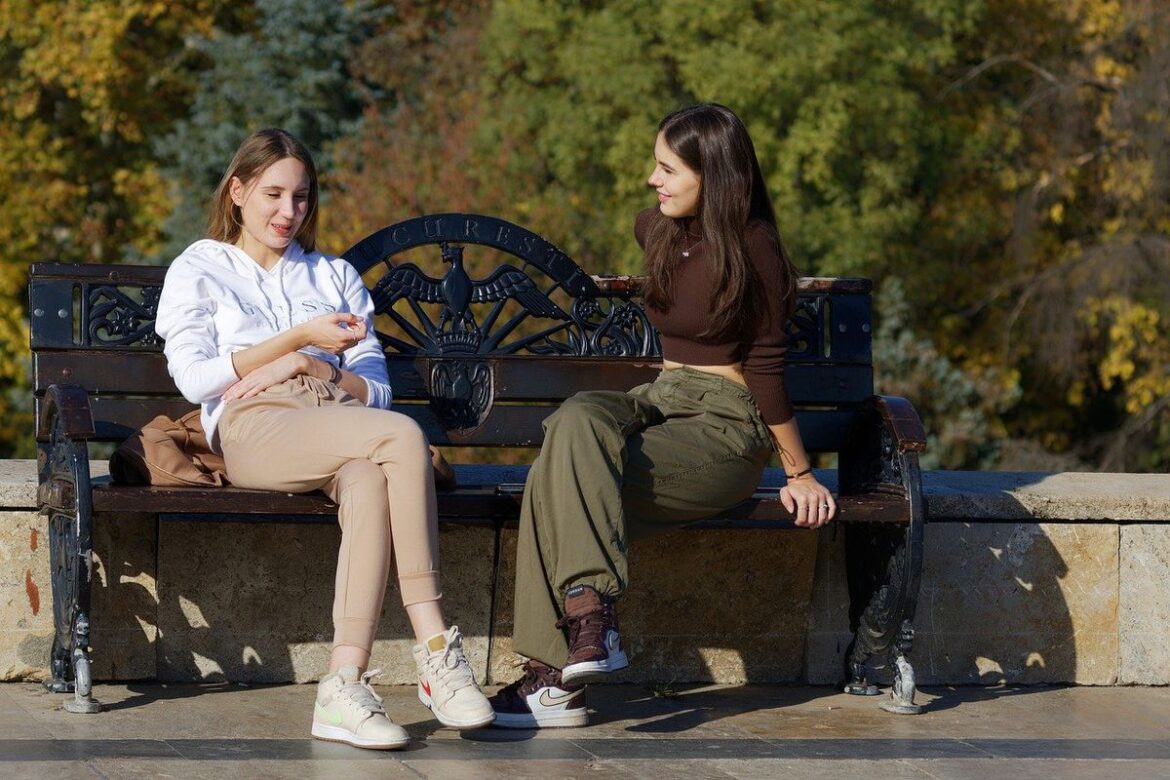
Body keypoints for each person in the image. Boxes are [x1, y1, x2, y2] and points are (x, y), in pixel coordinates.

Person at [488, 104, 838, 728]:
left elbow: (765, 367)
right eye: (657, 164)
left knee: (549, 481)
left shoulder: (754, 247)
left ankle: (554, 677)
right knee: (577, 418)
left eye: (669, 169)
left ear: (715, 176)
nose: (653, 180)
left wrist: (799, 472)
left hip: (724, 423)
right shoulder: (665, 230)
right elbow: (643, 219)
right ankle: (591, 622)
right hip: (659, 398)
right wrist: (676, 209)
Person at [155, 128, 493, 749]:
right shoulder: (200, 268)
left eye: (301, 197)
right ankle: (436, 647)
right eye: (273, 194)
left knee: (368, 478)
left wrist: (312, 364)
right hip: (254, 424)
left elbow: (376, 391)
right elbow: (196, 378)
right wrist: (292, 343)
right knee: (403, 438)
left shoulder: (334, 275)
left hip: (335, 415)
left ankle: (343, 684)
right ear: (237, 192)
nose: (289, 212)